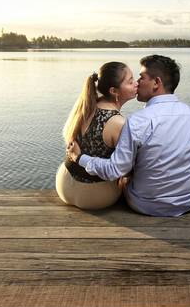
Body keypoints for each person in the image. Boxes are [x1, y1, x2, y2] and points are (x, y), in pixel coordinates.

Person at [67, 55, 190, 217]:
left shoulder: (136, 122)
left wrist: (80, 158)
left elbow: (115, 170)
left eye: (141, 77)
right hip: (188, 202)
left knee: (125, 178)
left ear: (156, 83)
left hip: (145, 204)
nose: (137, 82)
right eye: (132, 80)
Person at [56, 61, 138, 210]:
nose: (136, 84)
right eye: (130, 81)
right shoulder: (119, 123)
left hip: (64, 184)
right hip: (94, 195)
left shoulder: (86, 106)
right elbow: (122, 170)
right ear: (114, 91)